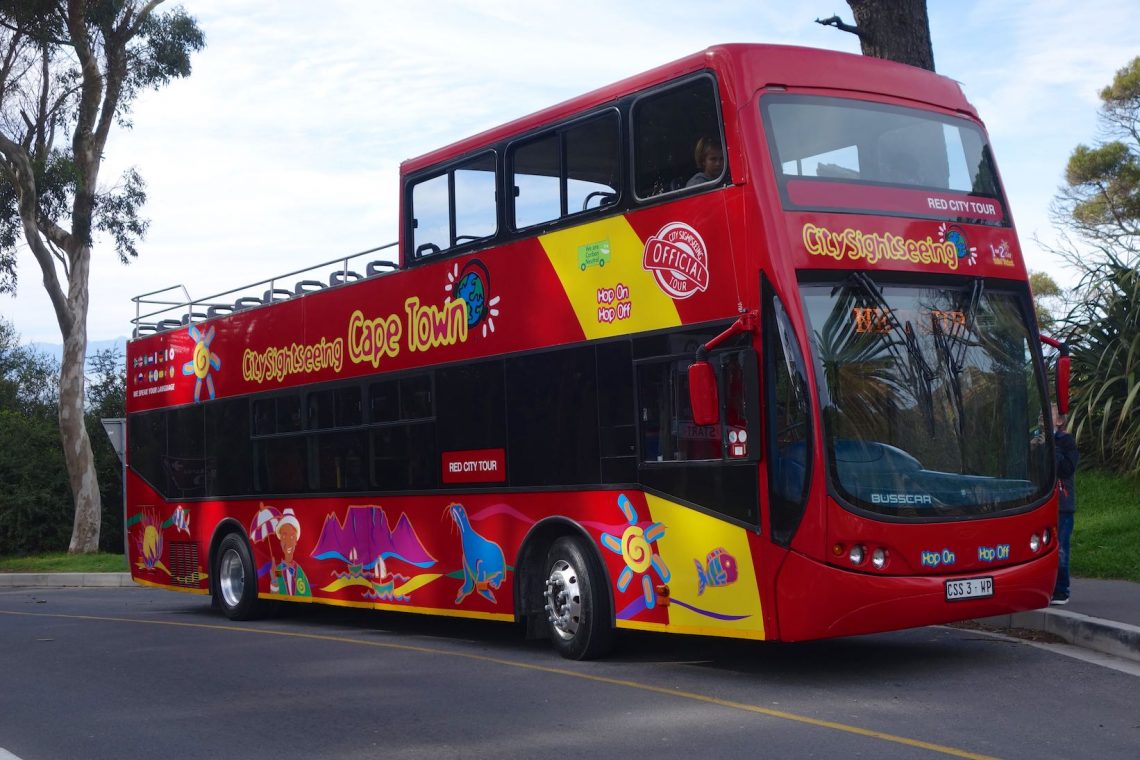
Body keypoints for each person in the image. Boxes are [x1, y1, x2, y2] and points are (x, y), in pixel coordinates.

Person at [1051, 403, 1078, 605]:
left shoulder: (1066, 441)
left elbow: (1067, 469)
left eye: (1047, 413)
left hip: (1063, 503)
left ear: (1059, 421)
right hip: (1045, 502)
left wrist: (1052, 448)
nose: (1041, 417)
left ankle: (1061, 589)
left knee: (1061, 548)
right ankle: (1047, 587)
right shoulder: (1041, 439)